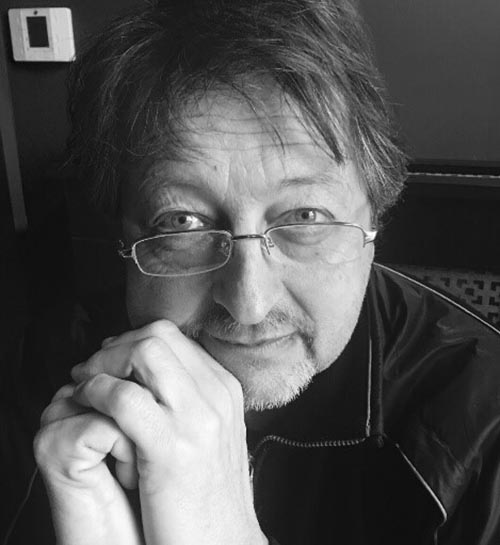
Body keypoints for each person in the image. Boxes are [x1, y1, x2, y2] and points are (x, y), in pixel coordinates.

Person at [3, 0, 500, 543]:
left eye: (305, 217)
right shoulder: (57, 370)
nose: (249, 303)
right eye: (183, 221)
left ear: (374, 222)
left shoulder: (484, 429)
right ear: (123, 239)